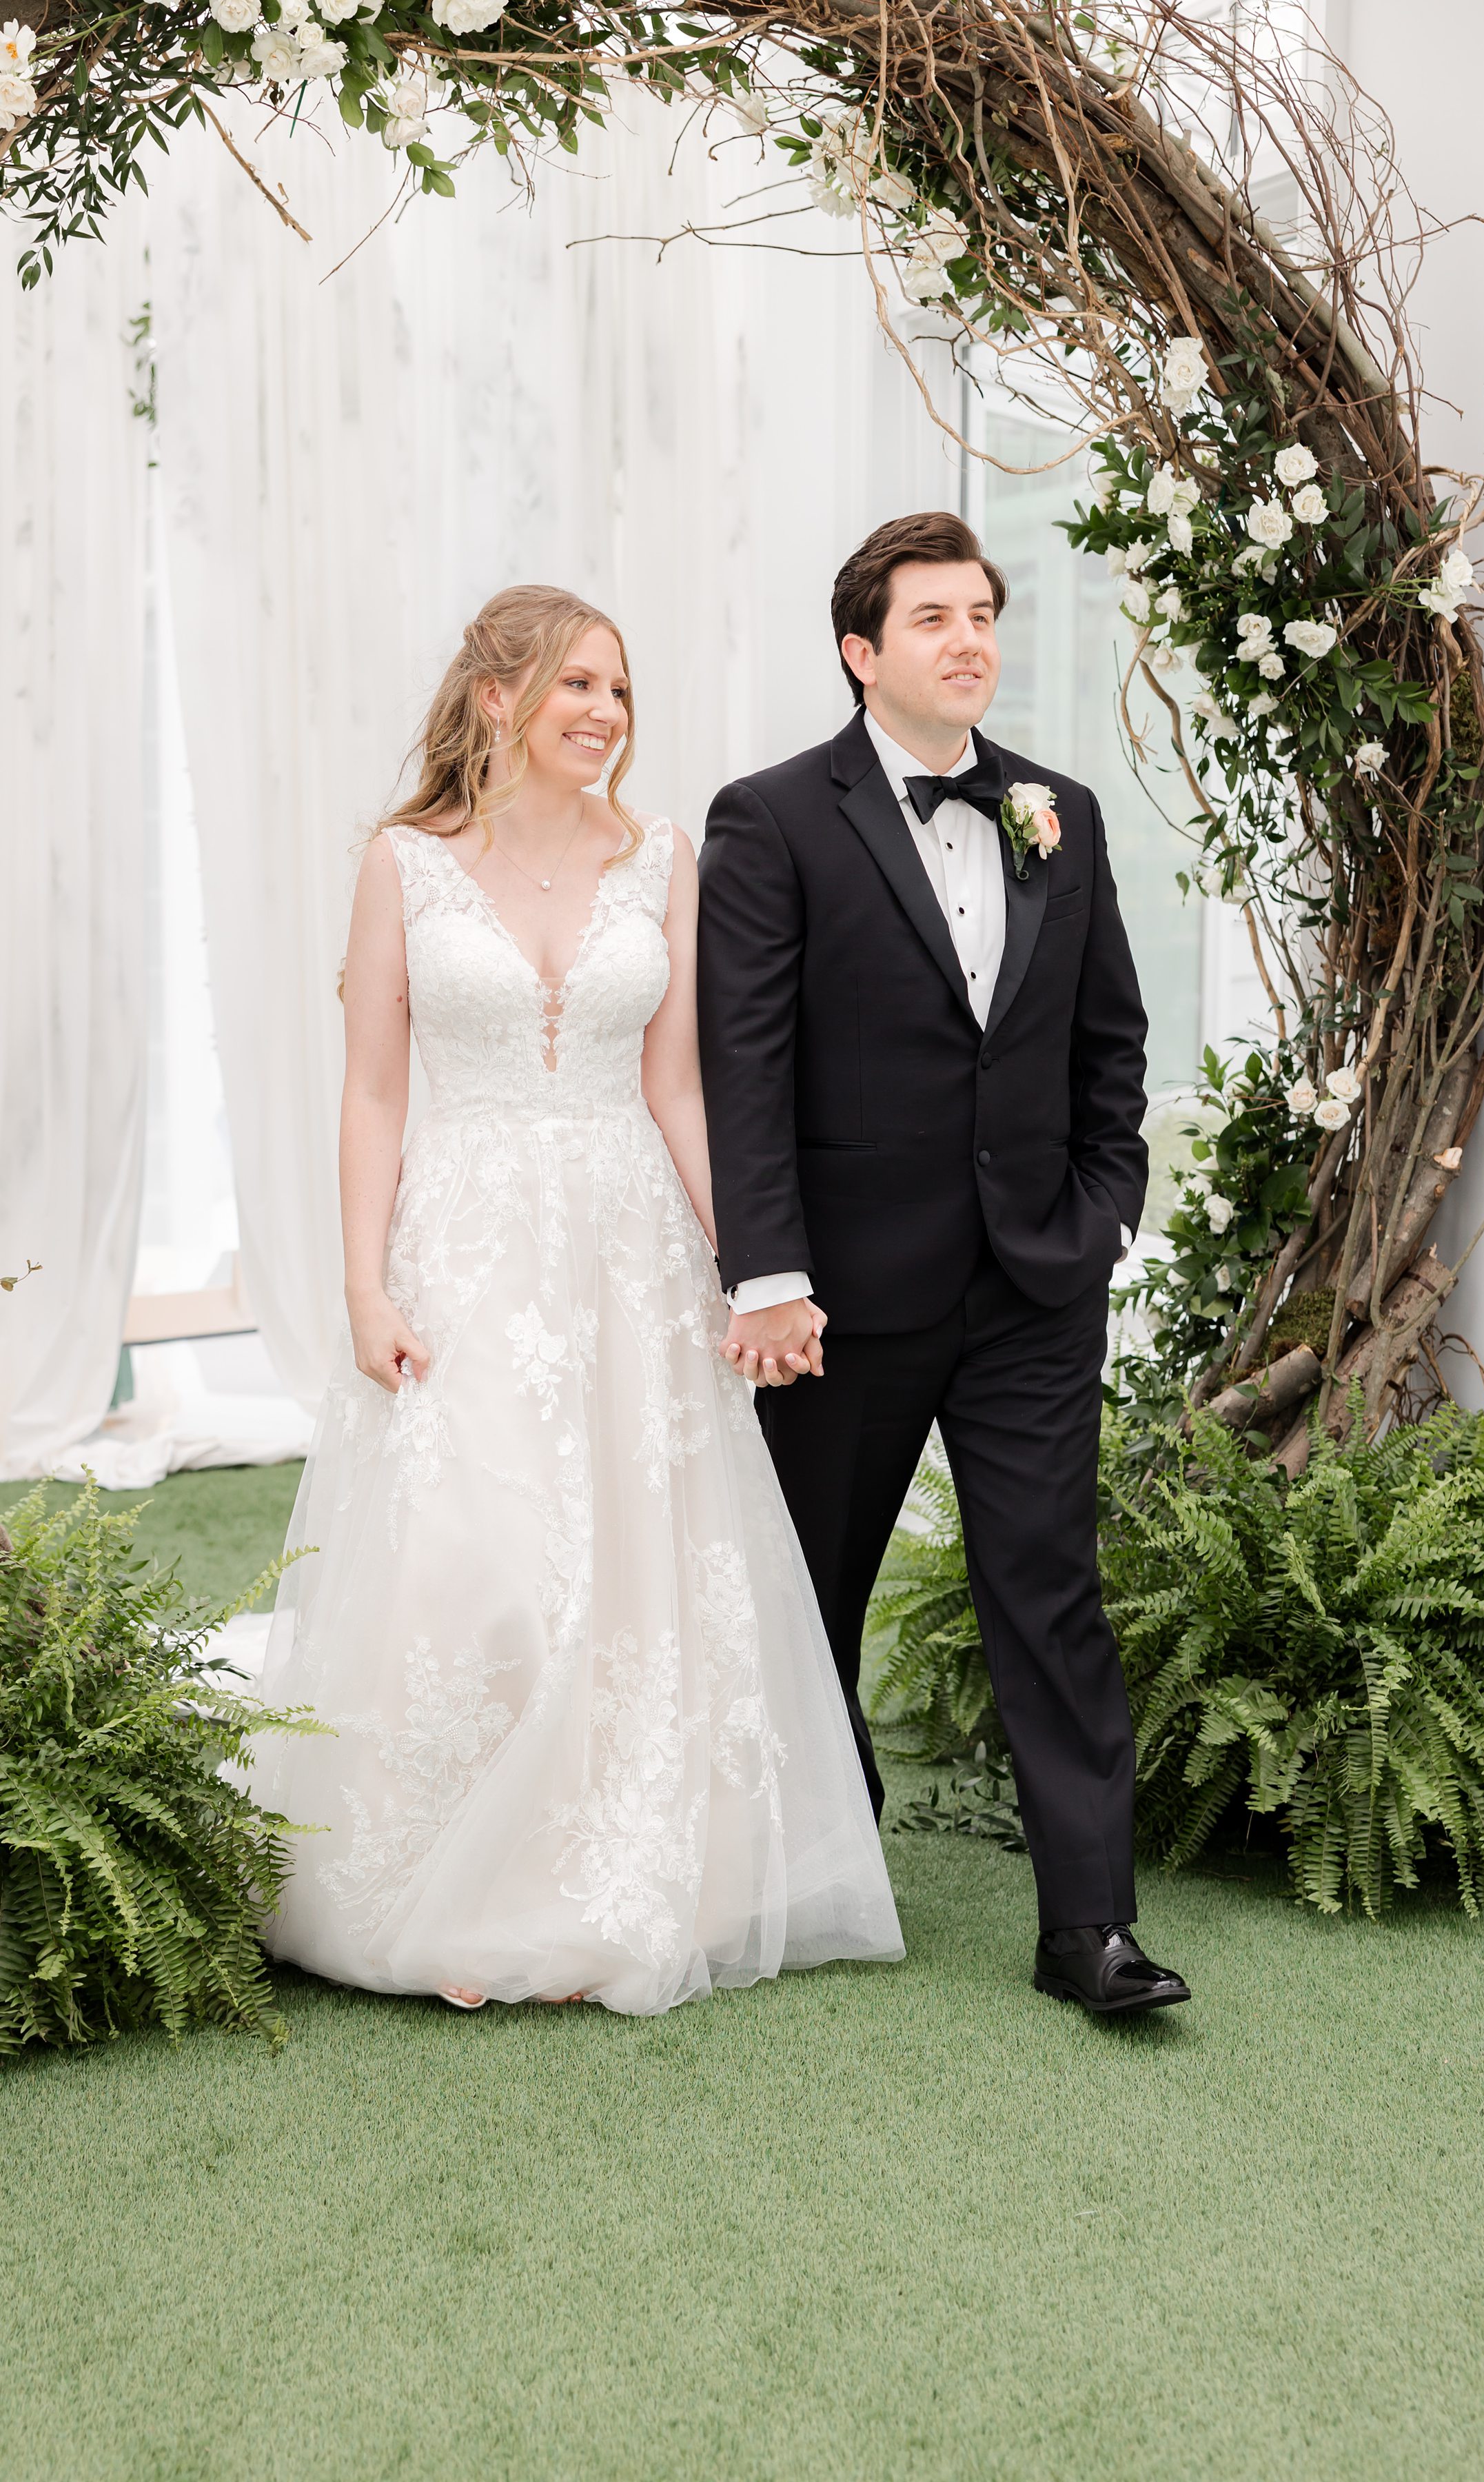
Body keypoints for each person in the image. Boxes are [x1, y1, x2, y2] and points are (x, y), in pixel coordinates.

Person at [254, 585, 903, 2015]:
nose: (605, 713)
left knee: (628, 1571)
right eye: (576, 687)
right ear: (496, 697)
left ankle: (594, 1887)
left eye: (618, 689)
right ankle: (446, 1880)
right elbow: (371, 1094)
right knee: (471, 1563)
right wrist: (362, 1287)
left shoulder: (660, 858)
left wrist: (755, 1269)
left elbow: (680, 1086)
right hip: (467, 1246)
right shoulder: (404, 867)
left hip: (627, 1251)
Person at [698, 513, 1190, 2019]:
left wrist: (1104, 1208)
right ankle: (823, 1874)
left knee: (1049, 1590)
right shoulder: (771, 818)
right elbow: (746, 1063)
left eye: (984, 613)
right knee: (815, 1592)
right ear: (862, 651)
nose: (970, 639)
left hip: (1034, 1282)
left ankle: (1089, 1931)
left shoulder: (1063, 810)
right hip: (842, 1296)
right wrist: (768, 1273)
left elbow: (1111, 1038)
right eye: (934, 619)